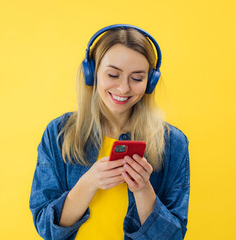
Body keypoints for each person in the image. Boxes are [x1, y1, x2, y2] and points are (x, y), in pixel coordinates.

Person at [29, 24, 190, 240]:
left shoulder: (173, 143)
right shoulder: (58, 133)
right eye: (113, 75)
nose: (123, 88)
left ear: (150, 82)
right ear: (91, 73)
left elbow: (173, 237)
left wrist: (143, 190)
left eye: (137, 78)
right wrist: (90, 181)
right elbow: (46, 229)